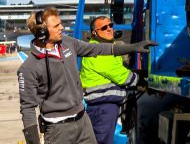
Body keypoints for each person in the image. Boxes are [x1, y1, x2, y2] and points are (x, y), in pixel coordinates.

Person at [17, 8, 155, 144]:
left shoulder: (67, 43)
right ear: (42, 32)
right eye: (57, 25)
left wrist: (133, 47)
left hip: (83, 122)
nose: (62, 27)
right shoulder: (28, 68)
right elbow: (27, 108)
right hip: (58, 130)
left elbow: (99, 49)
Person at [79, 16, 139, 144]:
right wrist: (140, 80)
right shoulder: (97, 50)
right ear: (94, 33)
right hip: (103, 108)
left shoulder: (107, 47)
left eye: (111, 25)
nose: (109, 29)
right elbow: (120, 75)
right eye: (104, 27)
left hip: (102, 107)